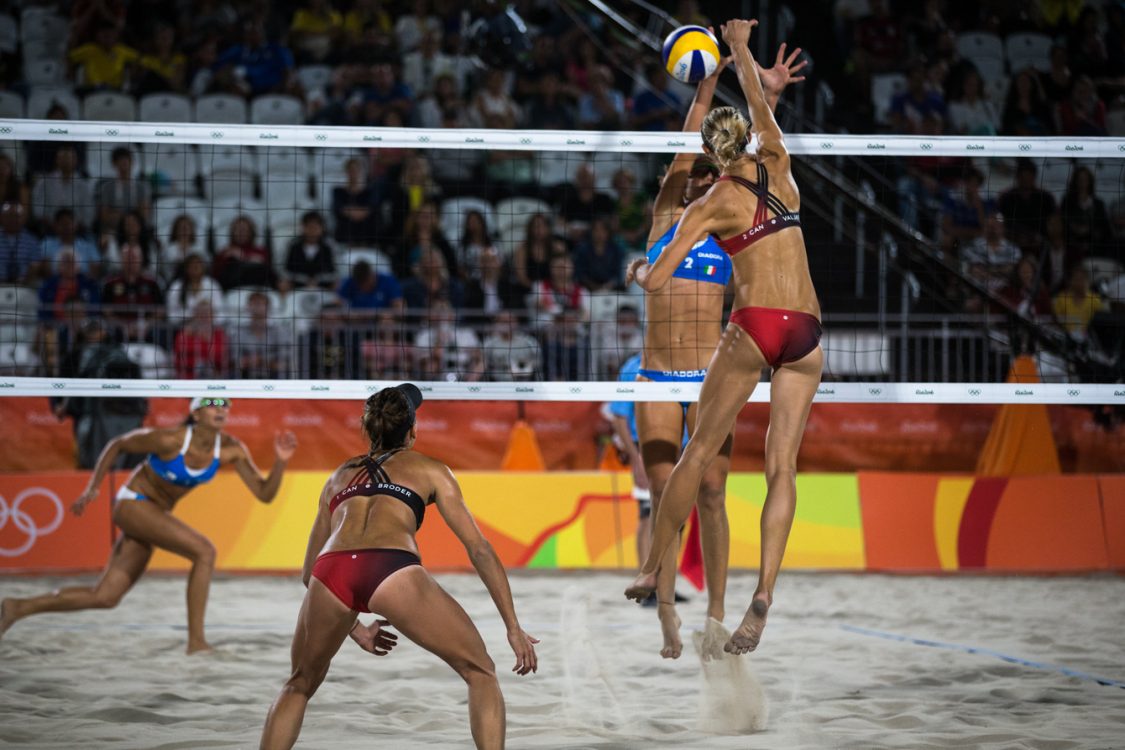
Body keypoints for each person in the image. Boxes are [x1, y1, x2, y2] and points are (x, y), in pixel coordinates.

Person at [624, 20, 823, 658]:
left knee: (707, 482)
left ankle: (707, 607)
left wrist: (641, 274)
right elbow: (755, 128)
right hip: (797, 333)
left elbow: (656, 277)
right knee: (757, 472)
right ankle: (674, 603)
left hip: (742, 342)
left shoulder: (707, 211)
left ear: (713, 159)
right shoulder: (759, 173)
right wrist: (728, 69)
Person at [259, 384, 537, 749]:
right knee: (480, 670)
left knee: (299, 683)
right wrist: (512, 626)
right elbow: (479, 549)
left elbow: (307, 569)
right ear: (413, 429)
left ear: (369, 429)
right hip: (389, 566)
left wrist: (356, 629)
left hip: (330, 572)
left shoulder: (338, 476)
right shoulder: (432, 469)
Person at [0, 398, 297, 654]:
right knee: (205, 551)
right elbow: (118, 445)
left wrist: (281, 462)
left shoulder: (231, 448)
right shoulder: (169, 440)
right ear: (196, 414)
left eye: (224, 405)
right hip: (133, 503)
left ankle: (18, 607)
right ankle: (196, 643)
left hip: (152, 513)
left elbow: (265, 494)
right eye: (211, 404)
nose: (220, 408)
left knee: (105, 597)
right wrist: (93, 487)